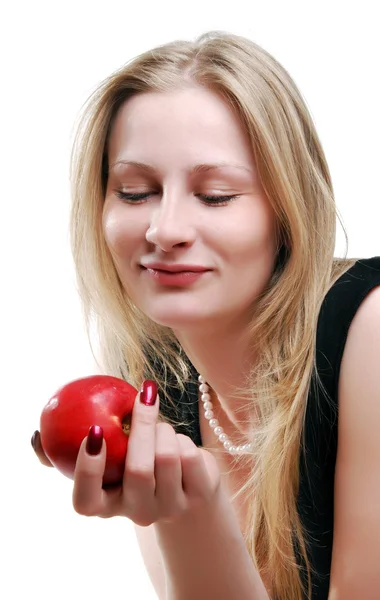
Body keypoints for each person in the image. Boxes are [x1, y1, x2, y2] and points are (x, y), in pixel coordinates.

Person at [31, 30, 380, 600]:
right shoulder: (155, 385)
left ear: (287, 210)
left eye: (216, 195)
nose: (164, 230)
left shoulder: (370, 329)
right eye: (135, 191)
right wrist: (188, 518)